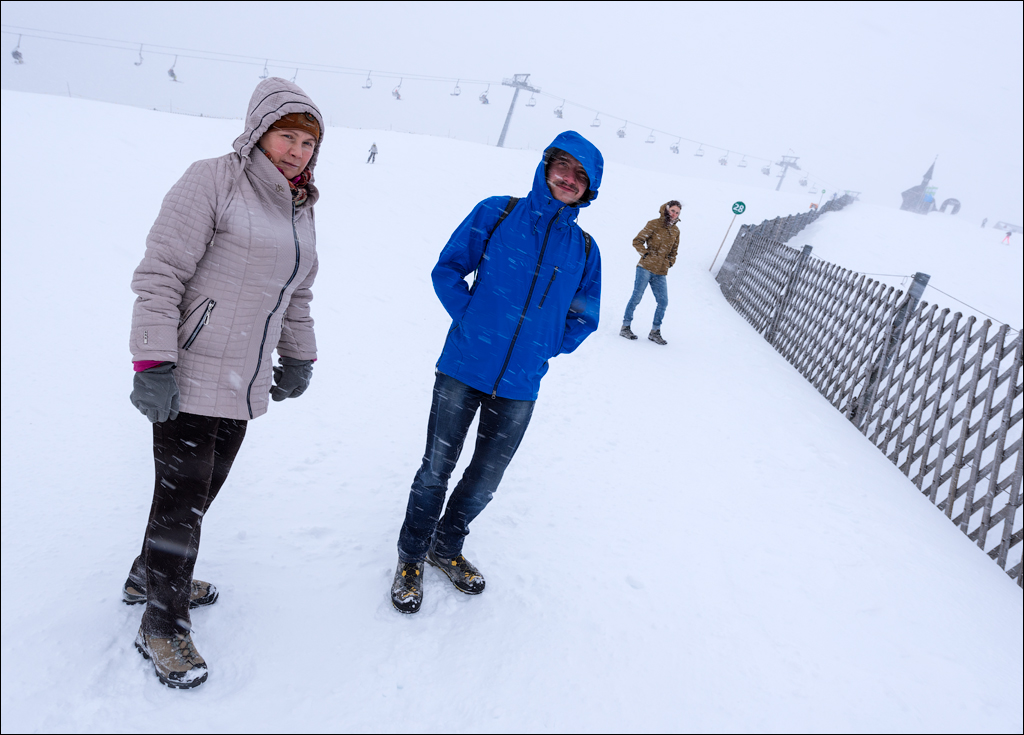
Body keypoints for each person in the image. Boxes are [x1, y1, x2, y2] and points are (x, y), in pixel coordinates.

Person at [124, 77, 324, 688]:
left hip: (242, 380)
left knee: (200, 493)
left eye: (307, 142)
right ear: (258, 131)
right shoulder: (211, 179)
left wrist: (299, 357)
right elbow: (161, 273)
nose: (295, 151)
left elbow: (297, 293)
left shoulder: (300, 206)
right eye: (285, 136)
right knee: (181, 504)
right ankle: (163, 623)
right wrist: (153, 363)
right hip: (188, 374)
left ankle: (148, 574)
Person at [390, 131, 603, 614]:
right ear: (546, 167)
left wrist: (548, 346)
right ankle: (410, 556)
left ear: (589, 189)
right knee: (435, 470)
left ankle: (446, 547)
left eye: (580, 176)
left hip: (521, 384)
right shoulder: (497, 212)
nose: (568, 179)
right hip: (464, 367)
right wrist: (469, 318)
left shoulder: (586, 251)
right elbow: (447, 269)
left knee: (486, 478)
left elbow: (585, 316)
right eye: (563, 167)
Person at [620, 201, 681, 345]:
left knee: (663, 301)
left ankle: (655, 332)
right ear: (666, 210)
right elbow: (637, 241)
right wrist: (647, 255)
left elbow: (674, 251)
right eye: (672, 210)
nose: (674, 214)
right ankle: (625, 327)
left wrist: (670, 263)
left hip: (661, 270)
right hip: (645, 267)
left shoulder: (676, 231)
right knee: (637, 297)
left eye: (677, 212)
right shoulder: (654, 224)